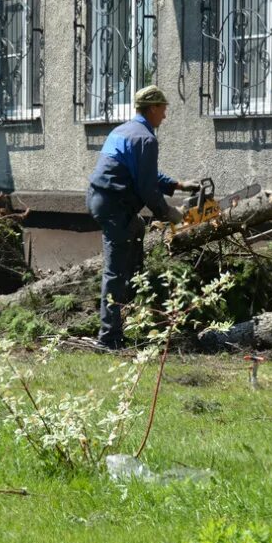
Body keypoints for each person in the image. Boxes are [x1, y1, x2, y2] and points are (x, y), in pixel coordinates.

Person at [86, 85, 197, 349]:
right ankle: (109, 337)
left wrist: (177, 185)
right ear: (153, 108)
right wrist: (169, 213)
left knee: (136, 230)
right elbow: (147, 188)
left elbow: (146, 175)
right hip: (114, 206)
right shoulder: (146, 138)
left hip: (101, 199)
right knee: (114, 271)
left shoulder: (123, 131)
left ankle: (135, 297)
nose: (165, 116)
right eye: (164, 109)